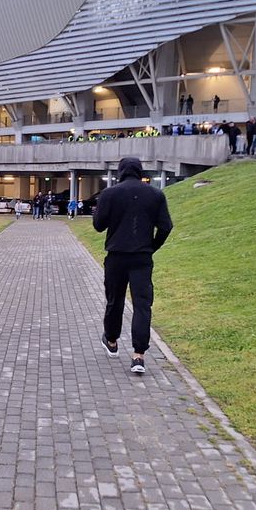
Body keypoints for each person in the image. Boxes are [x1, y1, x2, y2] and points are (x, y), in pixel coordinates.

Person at [93, 157, 174, 375]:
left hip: (116, 255)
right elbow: (166, 226)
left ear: (120, 171)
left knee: (115, 300)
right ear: (140, 171)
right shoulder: (156, 194)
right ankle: (139, 356)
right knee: (142, 304)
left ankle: (111, 340)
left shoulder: (110, 194)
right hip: (142, 257)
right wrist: (151, 246)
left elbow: (98, 226)